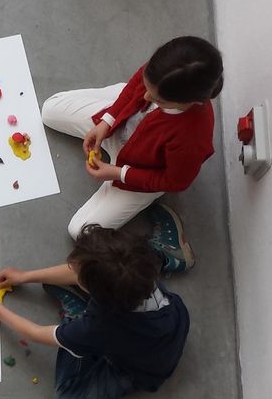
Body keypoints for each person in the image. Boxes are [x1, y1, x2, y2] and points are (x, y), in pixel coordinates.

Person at [0, 225, 189, 399]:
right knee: (80, 287)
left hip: (140, 370)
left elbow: (36, 333)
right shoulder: (138, 264)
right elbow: (85, 271)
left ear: (95, 293)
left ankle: (74, 315)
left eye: (78, 275)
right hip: (170, 324)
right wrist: (25, 276)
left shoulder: (98, 328)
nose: (72, 271)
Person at [40, 36, 223, 269]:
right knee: (50, 110)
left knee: (81, 232)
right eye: (148, 87)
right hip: (124, 122)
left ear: (190, 101)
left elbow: (174, 181)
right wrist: (107, 122)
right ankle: (114, 105)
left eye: (157, 99)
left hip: (142, 168)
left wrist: (119, 173)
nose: (146, 97)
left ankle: (170, 251)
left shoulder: (191, 138)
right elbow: (136, 87)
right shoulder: (164, 71)